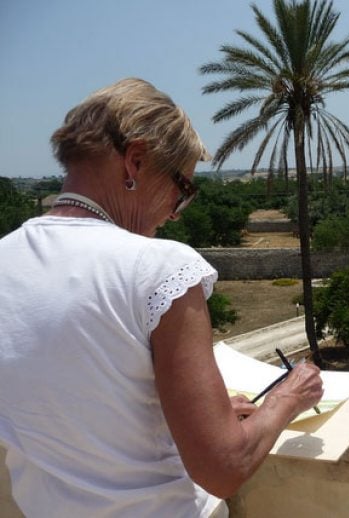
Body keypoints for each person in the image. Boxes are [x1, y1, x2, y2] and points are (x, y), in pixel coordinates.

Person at [0, 78, 323, 517]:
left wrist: (192, 418)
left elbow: (76, 404)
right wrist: (288, 397)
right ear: (134, 162)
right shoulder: (158, 267)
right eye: (182, 189)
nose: (174, 212)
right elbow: (223, 467)